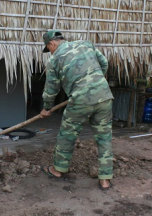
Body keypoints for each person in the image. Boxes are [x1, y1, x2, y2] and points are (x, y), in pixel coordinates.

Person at [39, 30, 114, 190]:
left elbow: (51, 90)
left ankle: (58, 170)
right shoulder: (85, 44)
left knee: (67, 134)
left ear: (52, 43)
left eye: (48, 48)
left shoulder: (54, 60)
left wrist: (46, 108)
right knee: (104, 137)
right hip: (104, 95)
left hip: (80, 100)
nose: (49, 52)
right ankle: (105, 180)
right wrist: (95, 83)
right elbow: (104, 64)